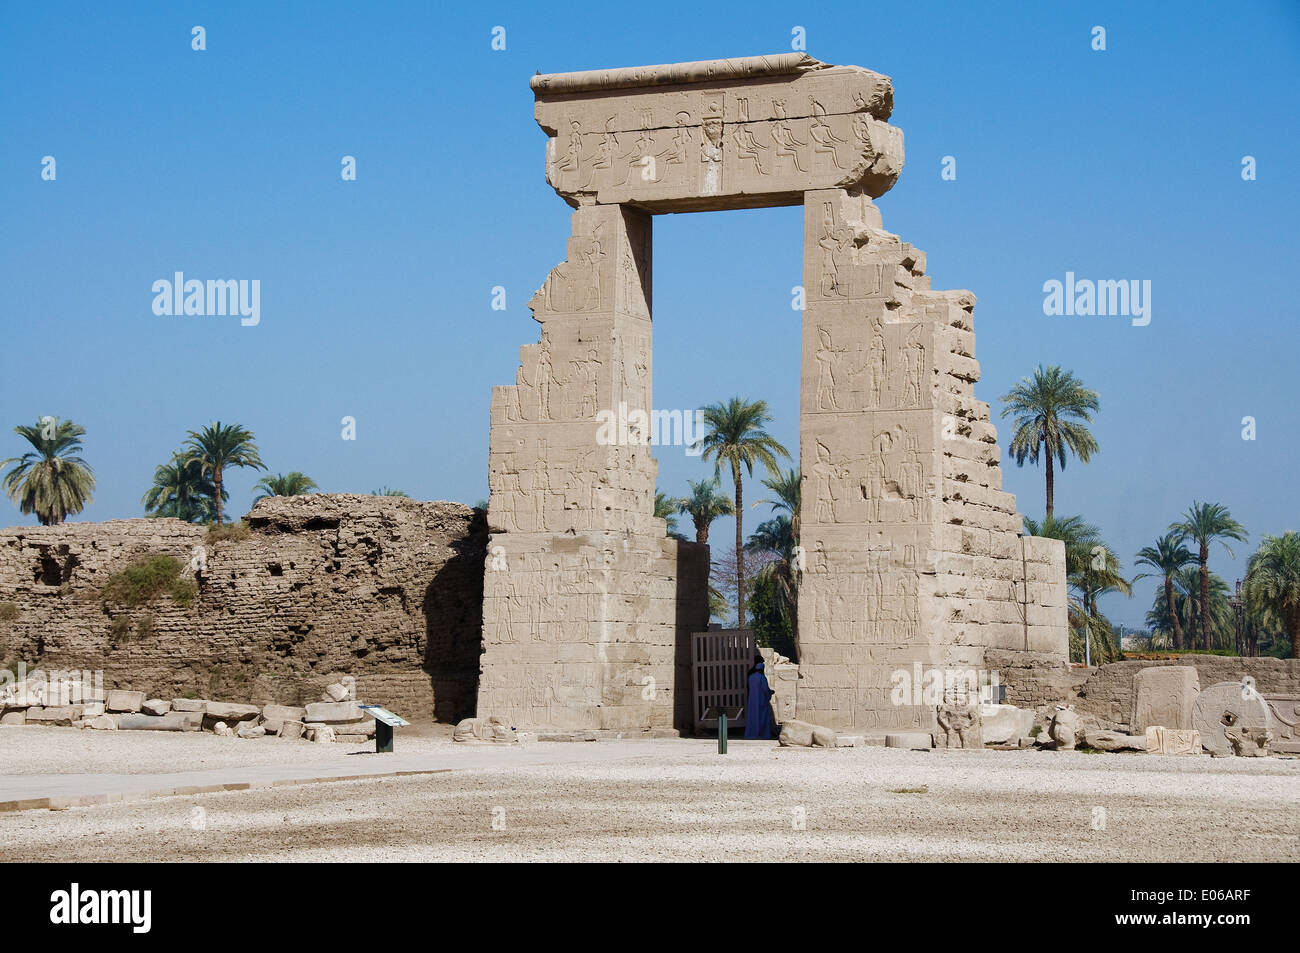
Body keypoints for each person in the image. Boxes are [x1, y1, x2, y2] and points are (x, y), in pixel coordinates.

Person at [744, 654, 776, 739]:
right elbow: (765, 690)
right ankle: (762, 734)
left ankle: (752, 733)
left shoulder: (751, 676)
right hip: (761, 701)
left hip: (752, 700)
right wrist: (771, 692)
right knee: (762, 718)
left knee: (753, 718)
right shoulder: (762, 678)